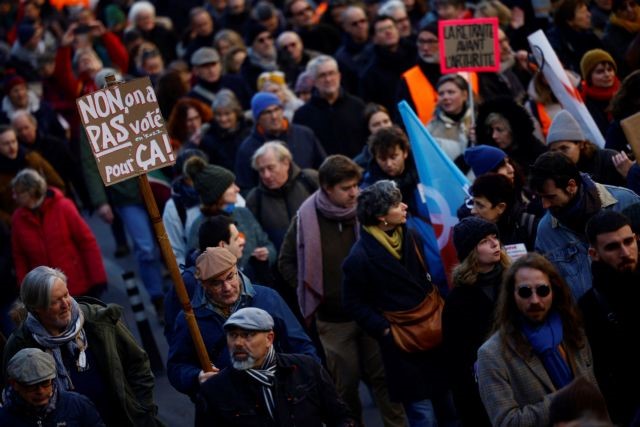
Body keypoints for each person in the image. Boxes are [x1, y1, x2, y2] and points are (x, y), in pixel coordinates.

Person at [279, 156, 406, 426]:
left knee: (386, 381)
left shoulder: (366, 211)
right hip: (333, 320)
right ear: (326, 188)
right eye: (346, 188)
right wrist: (311, 290)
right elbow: (285, 262)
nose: (354, 193)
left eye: (356, 185)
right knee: (344, 388)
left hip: (372, 312)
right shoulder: (305, 217)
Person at [343, 180, 456, 426]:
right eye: (396, 204)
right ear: (382, 216)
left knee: (449, 409)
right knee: (422, 416)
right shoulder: (359, 258)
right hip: (402, 346)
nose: (404, 206)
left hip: (434, 334)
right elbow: (353, 303)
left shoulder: (412, 235)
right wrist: (385, 330)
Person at [3, 266, 161, 426]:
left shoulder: (99, 321)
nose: (66, 304)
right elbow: (15, 396)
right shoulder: (21, 345)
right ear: (37, 308)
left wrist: (143, 412)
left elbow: (138, 364)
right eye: (56, 301)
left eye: (66, 295)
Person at [167, 247, 318, 400]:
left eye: (230, 277)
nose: (227, 287)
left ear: (237, 269)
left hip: (280, 392)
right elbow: (176, 367)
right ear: (203, 285)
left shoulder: (268, 299)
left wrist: (310, 384)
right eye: (216, 283)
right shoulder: (190, 319)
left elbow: (302, 346)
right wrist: (197, 377)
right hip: (231, 404)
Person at [476, 253, 599, 426]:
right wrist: (565, 399)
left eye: (542, 290)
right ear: (512, 295)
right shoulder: (491, 354)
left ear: (554, 290)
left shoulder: (572, 332)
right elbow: (506, 422)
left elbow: (594, 394)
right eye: (525, 292)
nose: (534, 300)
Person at [195, 307, 355, 426]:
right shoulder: (215, 390)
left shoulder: (306, 368)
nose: (238, 343)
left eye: (247, 335)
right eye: (233, 335)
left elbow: (341, 417)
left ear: (269, 338)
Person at [530, 151, 640, 299]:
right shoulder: (546, 231)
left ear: (571, 185)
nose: (544, 205)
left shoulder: (626, 202)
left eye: (550, 197)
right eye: (540, 197)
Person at [444, 217, 510, 427]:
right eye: (484, 241)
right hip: (485, 388)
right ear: (471, 252)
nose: (494, 244)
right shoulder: (458, 300)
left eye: (495, 237)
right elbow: (456, 362)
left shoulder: (516, 282)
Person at [579, 210, 640, 425]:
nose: (625, 252)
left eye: (628, 241)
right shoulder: (589, 306)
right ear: (594, 254)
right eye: (613, 247)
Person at [11, 169, 106, 298]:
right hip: (45, 293)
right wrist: (25, 290)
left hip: (77, 286)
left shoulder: (63, 207)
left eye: (18, 193)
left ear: (31, 192)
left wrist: (98, 279)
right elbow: (19, 257)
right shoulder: (18, 219)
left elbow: (87, 242)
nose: (14, 197)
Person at [184, 156, 276, 284]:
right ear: (217, 192)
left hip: (258, 286)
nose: (237, 189)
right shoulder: (200, 227)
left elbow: (267, 244)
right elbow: (196, 269)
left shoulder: (243, 213)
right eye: (230, 186)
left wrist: (267, 254)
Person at [235, 92, 326, 192]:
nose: (274, 116)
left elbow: (324, 168)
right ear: (258, 119)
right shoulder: (248, 148)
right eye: (267, 112)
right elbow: (245, 188)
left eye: (276, 109)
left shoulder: (305, 134)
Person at [0, 348, 105, 426]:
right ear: (14, 384)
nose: (40, 391)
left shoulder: (78, 405)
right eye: (31, 386)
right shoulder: (4, 419)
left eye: (45, 383)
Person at [246, 142, 318, 249]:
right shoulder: (255, 198)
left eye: (271, 168)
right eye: (261, 170)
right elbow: (254, 237)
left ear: (286, 163)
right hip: (280, 262)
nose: (266, 175)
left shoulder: (309, 180)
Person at [293, 55, 367, 158]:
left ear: (339, 76)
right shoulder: (302, 115)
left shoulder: (358, 106)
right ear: (313, 81)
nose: (328, 79)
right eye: (322, 75)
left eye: (331, 73)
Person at [0, 125, 65, 226]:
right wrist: (13, 222)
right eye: (6, 144)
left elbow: (57, 184)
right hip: (19, 224)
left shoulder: (32, 159)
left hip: (47, 215)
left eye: (13, 141)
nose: (12, 147)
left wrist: (49, 207)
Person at [546, 110, 626, 187]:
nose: (559, 155)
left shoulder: (608, 159)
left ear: (580, 144)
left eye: (564, 148)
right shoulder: (554, 173)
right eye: (554, 151)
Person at [475, 96, 547, 177]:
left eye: (499, 130)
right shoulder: (492, 160)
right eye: (491, 130)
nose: (494, 136)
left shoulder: (539, 156)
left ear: (513, 130)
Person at [358, 15, 416, 113]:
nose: (388, 32)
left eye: (390, 27)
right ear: (374, 38)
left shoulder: (415, 55)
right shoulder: (370, 74)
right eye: (382, 30)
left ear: (397, 30)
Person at [469, 173, 539, 251]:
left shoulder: (529, 225)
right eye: (473, 203)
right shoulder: (475, 232)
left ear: (500, 207)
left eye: (480, 205)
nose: (473, 211)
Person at [427, 74, 475, 172]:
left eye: (451, 92)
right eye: (441, 93)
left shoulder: (478, 121)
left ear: (465, 95)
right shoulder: (430, 129)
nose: (445, 97)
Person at [579, 49, 620, 135]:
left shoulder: (625, 90)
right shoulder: (586, 103)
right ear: (589, 77)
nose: (607, 74)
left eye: (610, 69)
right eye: (600, 71)